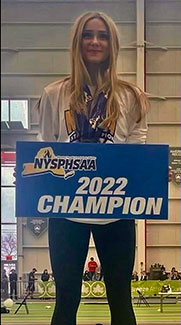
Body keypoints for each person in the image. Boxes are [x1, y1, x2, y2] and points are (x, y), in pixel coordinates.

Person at [35, 11, 172, 325]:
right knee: (66, 300)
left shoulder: (132, 97)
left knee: (121, 300)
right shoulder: (54, 94)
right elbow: (45, 147)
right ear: (77, 42)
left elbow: (136, 151)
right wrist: (31, 172)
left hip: (117, 208)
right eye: (87, 35)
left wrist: (150, 176)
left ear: (113, 44)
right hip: (67, 209)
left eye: (102, 35)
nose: (94, 42)